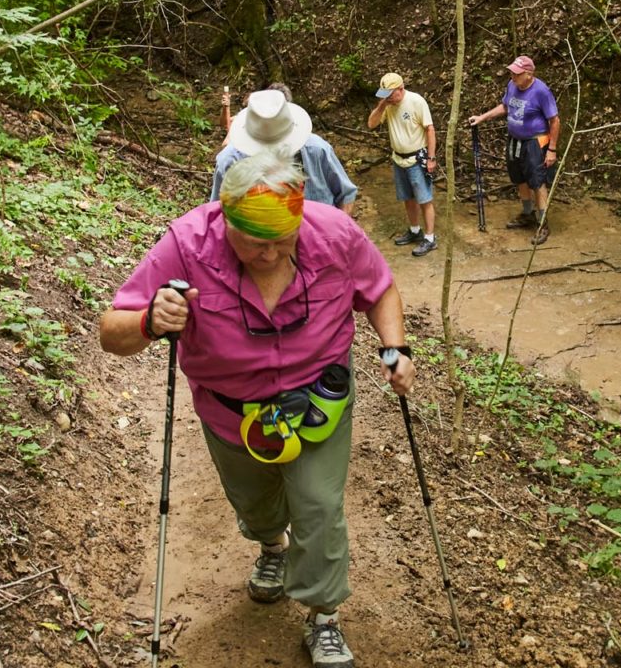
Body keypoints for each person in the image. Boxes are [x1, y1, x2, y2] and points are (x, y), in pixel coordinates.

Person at [99, 149, 416, 668]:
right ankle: (273, 546)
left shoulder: (334, 233)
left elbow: (380, 289)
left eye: (281, 242)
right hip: (232, 414)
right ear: (225, 220)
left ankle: (323, 615)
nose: (269, 255)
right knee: (255, 503)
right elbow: (112, 331)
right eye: (253, 244)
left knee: (318, 504)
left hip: (319, 401)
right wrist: (150, 321)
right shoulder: (186, 244)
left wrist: (395, 347)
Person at [213, 86, 358, 213]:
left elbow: (346, 195)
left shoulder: (317, 150)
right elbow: (218, 213)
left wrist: (337, 236)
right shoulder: (229, 162)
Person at [466, 55, 559, 245]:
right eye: (511, 72)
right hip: (514, 140)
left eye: (516, 74)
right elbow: (506, 107)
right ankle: (527, 214)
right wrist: (482, 118)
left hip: (535, 142)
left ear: (528, 74)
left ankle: (542, 223)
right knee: (519, 178)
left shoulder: (541, 91)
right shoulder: (512, 86)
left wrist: (552, 149)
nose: (512, 76)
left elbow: (555, 120)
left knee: (537, 181)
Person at [367, 72, 439, 257]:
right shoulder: (387, 105)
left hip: (417, 158)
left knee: (424, 199)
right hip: (398, 158)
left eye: (391, 94)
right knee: (408, 198)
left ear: (401, 88)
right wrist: (382, 105)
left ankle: (430, 238)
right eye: (385, 94)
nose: (389, 98)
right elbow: (371, 124)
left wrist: (431, 158)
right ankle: (415, 230)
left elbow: (430, 129)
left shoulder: (416, 101)